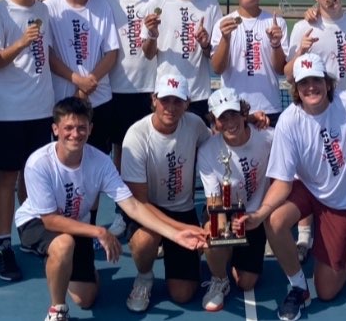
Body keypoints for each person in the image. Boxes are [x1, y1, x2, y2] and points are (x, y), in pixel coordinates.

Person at [14, 97, 208, 321]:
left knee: (85, 299)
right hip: (36, 221)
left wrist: (176, 234)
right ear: (55, 129)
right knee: (63, 244)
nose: (75, 134)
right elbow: (50, 221)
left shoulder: (100, 162)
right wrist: (99, 231)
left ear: (90, 128)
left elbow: (133, 205)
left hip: (78, 224)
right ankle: (57, 310)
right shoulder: (38, 163)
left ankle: (63, 265)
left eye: (81, 128)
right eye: (68, 128)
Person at [239, 53, 346, 321]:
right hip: (307, 188)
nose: (311, 87)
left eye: (316, 80)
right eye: (304, 82)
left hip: (341, 203)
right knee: (274, 220)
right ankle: (298, 286)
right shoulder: (288, 121)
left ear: (327, 83)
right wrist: (259, 215)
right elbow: (283, 183)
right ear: (296, 88)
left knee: (328, 290)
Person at [0, 0, 55, 282]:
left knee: (34, 179)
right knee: (9, 178)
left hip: (41, 111)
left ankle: (31, 236)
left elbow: (49, 56)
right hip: (9, 113)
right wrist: (22, 43)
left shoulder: (43, 9)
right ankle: (3, 246)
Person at [285, 0, 346, 262]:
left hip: (344, 115)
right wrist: (299, 53)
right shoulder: (304, 27)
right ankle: (305, 234)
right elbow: (287, 73)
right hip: (311, 111)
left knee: (345, 172)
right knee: (306, 172)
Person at [120, 72, 211, 313]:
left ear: (187, 104)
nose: (170, 107)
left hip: (184, 209)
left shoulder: (195, 124)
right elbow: (139, 202)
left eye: (177, 101)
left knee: (183, 295)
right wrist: (178, 231)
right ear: (153, 100)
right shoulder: (136, 136)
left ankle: (188, 261)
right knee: (144, 240)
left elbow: (218, 147)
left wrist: (249, 121)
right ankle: (145, 277)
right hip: (148, 209)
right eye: (165, 100)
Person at [100, 0, 166, 237]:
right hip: (116, 89)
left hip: (151, 88)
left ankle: (152, 212)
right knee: (121, 153)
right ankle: (122, 212)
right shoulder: (106, 1)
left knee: (151, 153)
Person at [197, 88, 273, 312]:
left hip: (254, 214)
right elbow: (214, 202)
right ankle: (219, 278)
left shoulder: (268, 137)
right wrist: (222, 230)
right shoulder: (207, 151)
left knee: (246, 282)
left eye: (233, 114)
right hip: (223, 208)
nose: (229, 122)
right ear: (214, 122)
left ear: (243, 114)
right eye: (222, 117)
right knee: (213, 235)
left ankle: (229, 253)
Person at [46, 0, 119, 164]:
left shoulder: (102, 7)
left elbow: (111, 52)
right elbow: (48, 54)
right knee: (64, 163)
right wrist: (77, 81)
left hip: (99, 99)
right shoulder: (50, 8)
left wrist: (88, 83)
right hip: (63, 100)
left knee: (94, 166)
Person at [211, 0, 288, 127]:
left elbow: (281, 69)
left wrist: (275, 44)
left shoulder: (277, 23)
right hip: (233, 110)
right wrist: (225, 39)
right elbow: (217, 68)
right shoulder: (222, 24)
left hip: (269, 109)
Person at [152, 0, 220, 119]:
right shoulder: (158, 1)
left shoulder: (211, 5)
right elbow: (148, 53)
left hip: (198, 95)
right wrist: (152, 34)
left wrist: (205, 45)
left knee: (198, 146)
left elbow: (216, 58)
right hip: (166, 94)